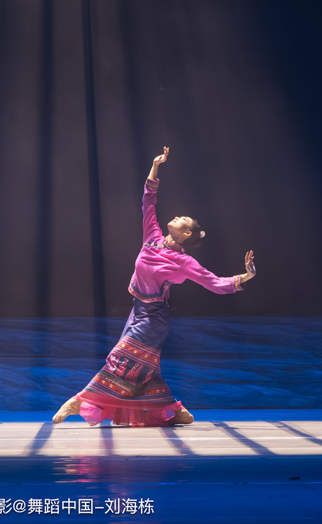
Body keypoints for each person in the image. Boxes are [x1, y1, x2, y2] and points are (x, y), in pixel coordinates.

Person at [53, 146, 256, 427]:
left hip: (154, 318)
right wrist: (156, 166)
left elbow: (215, 283)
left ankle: (79, 401)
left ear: (186, 233)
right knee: (145, 370)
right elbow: (148, 201)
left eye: (183, 220)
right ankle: (174, 409)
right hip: (137, 312)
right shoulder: (152, 236)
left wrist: (246, 276)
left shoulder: (183, 262)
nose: (177, 217)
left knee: (120, 358)